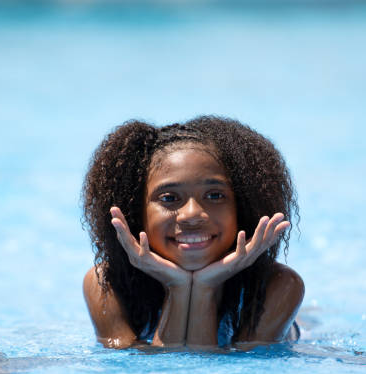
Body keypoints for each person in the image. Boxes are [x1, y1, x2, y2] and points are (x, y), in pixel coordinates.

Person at [82, 116, 304, 349]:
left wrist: (205, 288)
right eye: (169, 198)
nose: (192, 214)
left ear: (243, 207)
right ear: (136, 213)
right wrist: (176, 287)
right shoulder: (105, 284)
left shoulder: (279, 286)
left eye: (215, 195)